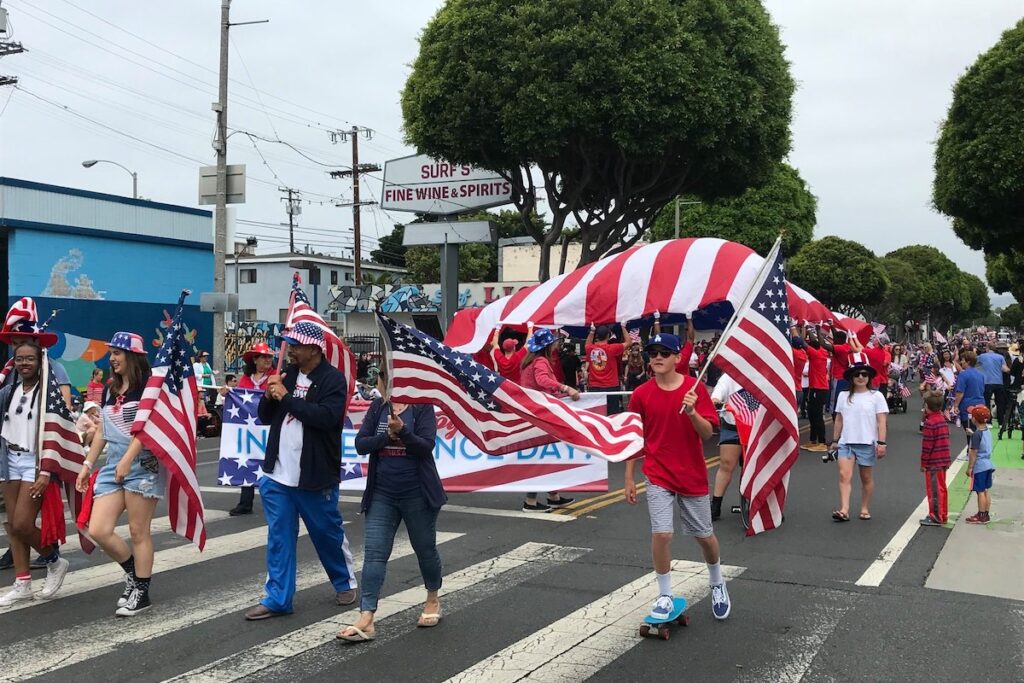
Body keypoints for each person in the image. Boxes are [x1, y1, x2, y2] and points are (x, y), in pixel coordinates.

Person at [244, 321, 357, 620]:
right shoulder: (287, 374)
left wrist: (286, 397)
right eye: (289, 345)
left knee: (326, 533)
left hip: (314, 475)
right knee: (279, 538)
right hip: (278, 475)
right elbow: (265, 417)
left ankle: (344, 580)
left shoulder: (333, 380)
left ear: (313, 349)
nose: (290, 350)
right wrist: (269, 396)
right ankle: (278, 598)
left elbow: (325, 418)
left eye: (295, 345)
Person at [624, 332, 731, 621]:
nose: (657, 357)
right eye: (653, 352)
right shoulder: (641, 394)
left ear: (677, 358)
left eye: (664, 352)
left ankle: (717, 581)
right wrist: (629, 477)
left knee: (705, 537)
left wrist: (693, 411)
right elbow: (635, 438)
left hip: (691, 473)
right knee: (662, 533)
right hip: (657, 472)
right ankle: (665, 595)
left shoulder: (694, 391)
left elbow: (708, 433)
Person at [338, 362, 445, 641]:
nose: (389, 383)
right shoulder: (378, 407)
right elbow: (361, 444)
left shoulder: (421, 407)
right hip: (382, 493)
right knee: (374, 553)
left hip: (417, 492)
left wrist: (405, 433)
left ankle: (432, 597)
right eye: (386, 377)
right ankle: (367, 615)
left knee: (425, 548)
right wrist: (387, 435)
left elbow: (426, 446)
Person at [75, 332, 165, 616]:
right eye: (111, 353)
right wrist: (87, 465)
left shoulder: (149, 388)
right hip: (114, 463)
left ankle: (142, 590)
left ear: (132, 356)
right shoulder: (109, 389)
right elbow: (102, 430)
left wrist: (128, 460)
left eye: (117, 353)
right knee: (98, 529)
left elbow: (147, 427)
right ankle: (134, 576)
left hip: (143, 465)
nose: (111, 358)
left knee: (139, 531)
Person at [0, 339, 72, 606]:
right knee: (13, 527)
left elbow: (58, 432)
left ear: (40, 361)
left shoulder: (47, 396)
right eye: (19, 359)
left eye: (30, 359)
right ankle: (22, 583)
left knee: (22, 523)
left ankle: (54, 560)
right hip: (9, 461)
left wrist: (45, 471)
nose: (24, 364)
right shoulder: (9, 391)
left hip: (35, 462)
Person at [520, 328, 579, 513]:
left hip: (536, 412)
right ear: (548, 345)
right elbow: (543, 381)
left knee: (549, 455)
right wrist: (565, 388)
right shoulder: (540, 361)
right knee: (542, 456)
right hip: (541, 414)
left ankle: (553, 496)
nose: (556, 344)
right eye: (553, 342)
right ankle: (530, 501)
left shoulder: (530, 361)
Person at [829, 353, 888, 522]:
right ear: (851, 377)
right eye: (856, 374)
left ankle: (864, 507)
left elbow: (881, 421)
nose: (861, 377)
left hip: (867, 443)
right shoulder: (843, 396)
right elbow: (839, 419)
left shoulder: (876, 396)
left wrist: (882, 443)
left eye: (864, 374)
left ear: (869, 377)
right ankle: (844, 509)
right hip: (846, 443)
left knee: (866, 478)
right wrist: (834, 440)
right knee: (843, 475)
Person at [230, 342, 278, 517]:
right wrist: (227, 394)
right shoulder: (245, 379)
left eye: (269, 357)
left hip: (270, 426)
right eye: (264, 356)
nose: (267, 360)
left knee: (274, 462)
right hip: (249, 428)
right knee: (247, 460)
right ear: (255, 360)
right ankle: (245, 503)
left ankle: (276, 502)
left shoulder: (276, 376)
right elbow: (238, 395)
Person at [709, 373, 743, 521]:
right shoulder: (729, 376)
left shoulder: (763, 374)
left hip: (757, 428)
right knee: (726, 465)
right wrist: (715, 400)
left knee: (757, 466)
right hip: (732, 426)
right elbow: (718, 392)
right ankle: (716, 504)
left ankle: (763, 504)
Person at [919, 391, 952, 526]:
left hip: (933, 462)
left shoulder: (930, 423)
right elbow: (945, 441)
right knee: (942, 488)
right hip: (943, 459)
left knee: (934, 490)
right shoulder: (942, 420)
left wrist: (923, 463)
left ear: (927, 406)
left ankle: (936, 516)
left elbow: (927, 446)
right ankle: (942, 514)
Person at [585, 323, 625, 413]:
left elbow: (587, 343)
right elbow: (629, 342)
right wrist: (623, 327)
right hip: (611, 387)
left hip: (594, 387)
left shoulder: (590, 348)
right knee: (612, 414)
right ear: (608, 336)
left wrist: (591, 331)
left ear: (597, 336)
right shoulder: (613, 348)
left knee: (596, 414)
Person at [964, 405, 995, 524]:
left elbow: (974, 452)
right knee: (986, 490)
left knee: (980, 491)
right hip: (988, 464)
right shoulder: (987, 431)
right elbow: (982, 442)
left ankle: (980, 515)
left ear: (974, 419)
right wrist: (972, 434)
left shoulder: (977, 435)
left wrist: (970, 467)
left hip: (980, 466)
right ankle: (985, 513)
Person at [802, 326, 830, 452]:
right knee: (812, 415)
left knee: (817, 416)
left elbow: (802, 343)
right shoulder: (822, 351)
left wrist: (795, 328)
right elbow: (816, 341)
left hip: (818, 389)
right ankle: (813, 440)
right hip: (817, 389)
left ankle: (822, 442)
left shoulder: (816, 354)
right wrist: (811, 330)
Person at [952, 350, 986, 455]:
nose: (961, 362)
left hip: (968, 406)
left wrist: (956, 405)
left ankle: (971, 451)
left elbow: (960, 392)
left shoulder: (963, 375)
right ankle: (976, 449)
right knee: (978, 429)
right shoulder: (980, 375)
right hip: (980, 403)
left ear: (967, 361)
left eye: (962, 360)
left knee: (968, 429)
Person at [976, 342, 1009, 422]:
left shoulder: (981, 357)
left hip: (986, 382)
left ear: (987, 348)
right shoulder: (1000, 357)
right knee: (1000, 402)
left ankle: (988, 421)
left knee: (987, 402)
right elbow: (1005, 369)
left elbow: (976, 366)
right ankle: (1000, 421)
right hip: (999, 382)